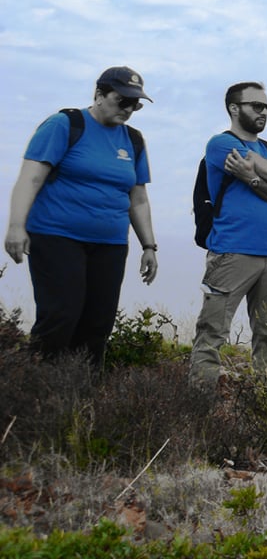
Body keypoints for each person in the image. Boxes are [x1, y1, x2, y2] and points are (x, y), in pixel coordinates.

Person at [4, 67, 160, 366]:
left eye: (135, 104)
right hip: (56, 237)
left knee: (98, 323)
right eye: (121, 100)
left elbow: (137, 198)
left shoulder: (134, 140)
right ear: (99, 94)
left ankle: (84, 400)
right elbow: (30, 179)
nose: (128, 109)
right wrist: (15, 226)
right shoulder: (64, 125)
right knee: (61, 316)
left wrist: (149, 246)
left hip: (110, 244)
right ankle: (36, 390)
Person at [188, 81, 267, 390]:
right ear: (234, 108)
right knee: (212, 333)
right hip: (230, 252)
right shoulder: (220, 144)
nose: (264, 112)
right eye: (256, 106)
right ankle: (197, 407)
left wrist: (254, 176)